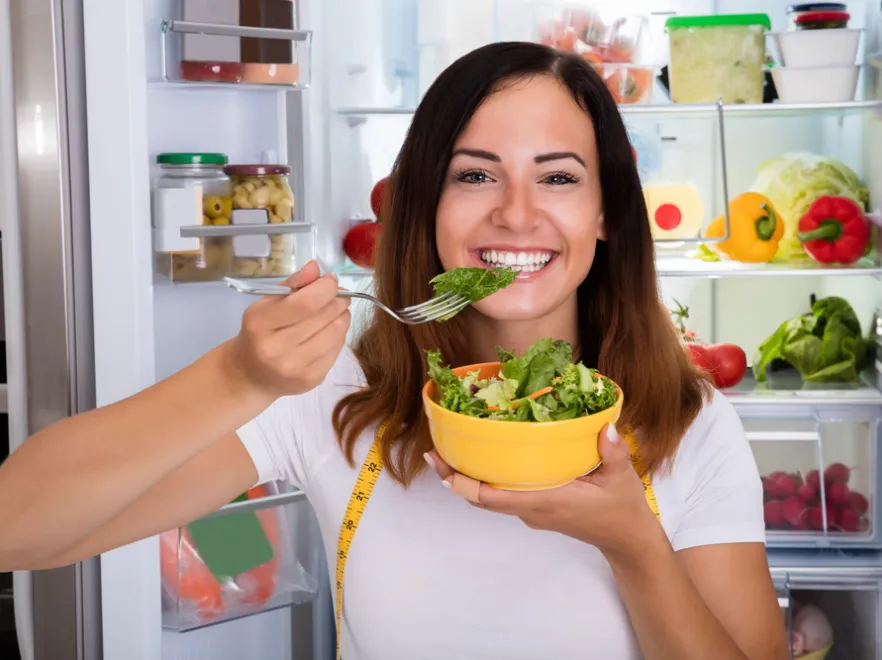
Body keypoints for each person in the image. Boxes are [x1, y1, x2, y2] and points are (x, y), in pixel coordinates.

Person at [0, 41, 789, 659]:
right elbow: (18, 527)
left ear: (608, 214)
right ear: (425, 205)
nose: (517, 215)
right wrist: (237, 377)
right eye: (475, 176)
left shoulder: (689, 421)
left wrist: (634, 545)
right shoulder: (340, 395)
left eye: (557, 179)